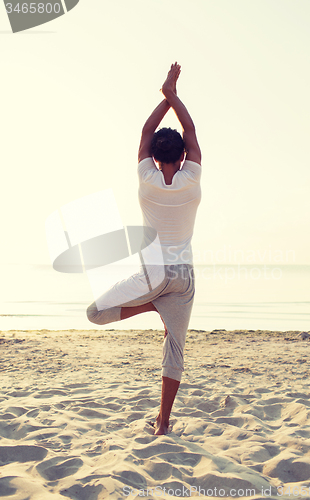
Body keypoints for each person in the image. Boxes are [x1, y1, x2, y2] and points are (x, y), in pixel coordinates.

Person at [87, 62, 201, 435]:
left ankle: (153, 305)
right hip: (183, 278)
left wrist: (164, 95)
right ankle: (163, 421)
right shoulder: (192, 177)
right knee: (176, 352)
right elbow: (191, 130)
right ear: (183, 157)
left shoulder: (146, 177)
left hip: (153, 276)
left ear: (153, 157)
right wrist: (172, 94)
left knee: (96, 313)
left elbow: (147, 130)